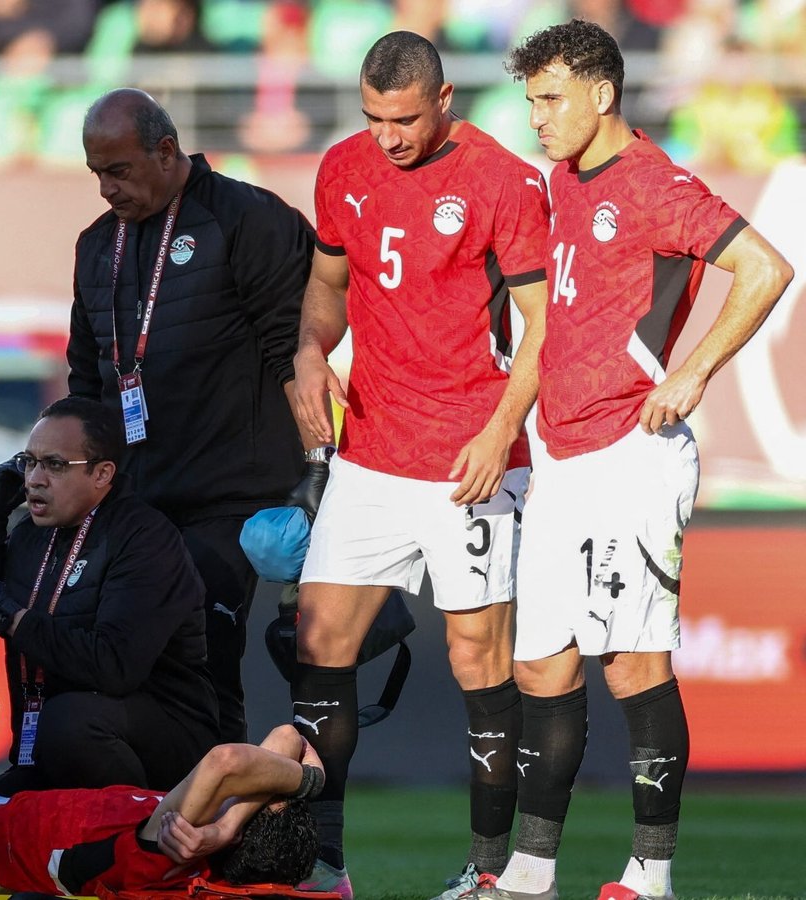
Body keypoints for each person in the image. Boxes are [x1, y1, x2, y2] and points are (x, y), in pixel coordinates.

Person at [482, 21, 794, 900]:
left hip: (633, 452)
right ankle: (532, 871)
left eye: (549, 98)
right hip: (561, 453)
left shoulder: (656, 184)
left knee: (633, 665)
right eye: (530, 99)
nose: (536, 116)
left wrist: (693, 371)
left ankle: (650, 874)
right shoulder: (561, 181)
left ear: (602, 93)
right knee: (539, 662)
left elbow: (766, 268)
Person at [284, 32, 552, 900]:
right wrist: (309, 353)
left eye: (403, 119)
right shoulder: (343, 168)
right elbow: (328, 285)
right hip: (370, 452)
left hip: (468, 459)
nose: (388, 137)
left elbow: (541, 327)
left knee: (477, 656)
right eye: (373, 118)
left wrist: (499, 430)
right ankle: (322, 864)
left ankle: (488, 871)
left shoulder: (504, 181)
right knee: (318, 642)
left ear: (443, 102)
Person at [68, 88, 315, 745]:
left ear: (167, 151)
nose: (106, 190)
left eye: (117, 171)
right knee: (138, 667)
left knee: (205, 650)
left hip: (234, 498)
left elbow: (299, 353)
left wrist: (321, 471)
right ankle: (164, 817)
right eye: (96, 174)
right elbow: (86, 382)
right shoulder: (96, 248)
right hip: (137, 502)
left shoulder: (245, 218)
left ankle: (233, 816)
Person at [0, 396, 217, 795]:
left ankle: (145, 838)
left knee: (68, 723)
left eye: (54, 465)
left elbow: (114, 666)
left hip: (158, 746)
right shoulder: (30, 534)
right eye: (29, 461)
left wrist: (11, 616)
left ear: (102, 474)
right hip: (52, 748)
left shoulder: (144, 538)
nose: (34, 479)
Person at [0, 723, 324, 896]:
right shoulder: (209, 830)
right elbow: (289, 738)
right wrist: (233, 821)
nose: (259, 782)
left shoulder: (175, 842)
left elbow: (229, 760)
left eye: (261, 796)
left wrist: (221, 827)